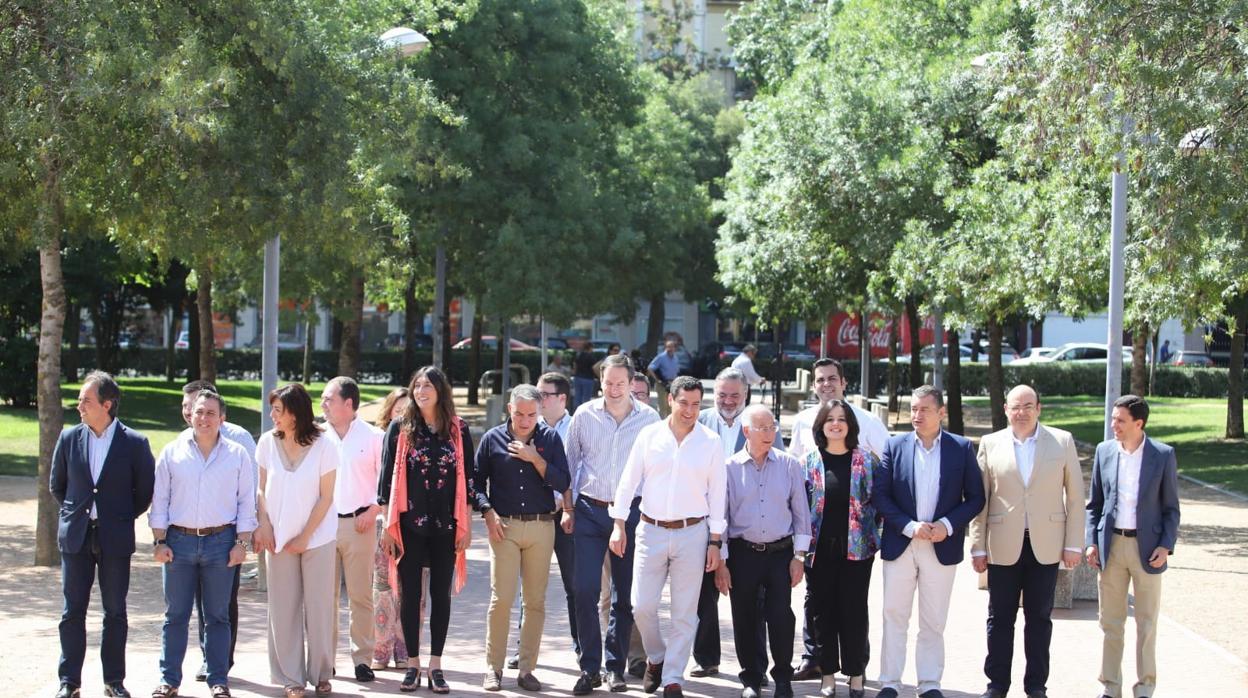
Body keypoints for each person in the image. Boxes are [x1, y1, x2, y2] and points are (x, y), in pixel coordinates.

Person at [610, 375, 726, 698]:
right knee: (641, 606)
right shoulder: (649, 436)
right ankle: (657, 657)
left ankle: (673, 677)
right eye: (684, 403)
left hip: (693, 533)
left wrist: (716, 542)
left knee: (684, 613)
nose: (690, 410)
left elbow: (718, 496)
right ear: (670, 401)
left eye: (696, 404)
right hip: (650, 529)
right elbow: (627, 481)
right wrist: (619, 524)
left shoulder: (710, 442)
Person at [970, 385, 1084, 698]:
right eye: (1015, 406)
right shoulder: (991, 444)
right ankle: (997, 685)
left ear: (1039, 408)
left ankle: (1035, 686)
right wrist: (977, 546)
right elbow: (980, 499)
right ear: (1005, 409)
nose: (1022, 412)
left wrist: (1074, 544)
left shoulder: (1061, 441)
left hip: (1046, 546)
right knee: (999, 618)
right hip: (1002, 546)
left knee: (1039, 619)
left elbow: (1075, 497)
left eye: (1028, 406)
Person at [873, 385, 985, 698]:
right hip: (901, 542)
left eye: (924, 409)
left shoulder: (960, 448)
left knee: (933, 618)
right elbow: (880, 495)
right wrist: (908, 526)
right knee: (894, 614)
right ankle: (890, 682)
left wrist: (947, 526)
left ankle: (930, 683)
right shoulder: (894, 447)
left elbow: (976, 497)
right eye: (913, 409)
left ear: (941, 413)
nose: (916, 415)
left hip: (941, 545)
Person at [50, 371, 156, 698]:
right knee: (72, 612)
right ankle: (69, 682)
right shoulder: (69, 438)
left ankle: (114, 681)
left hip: (114, 539)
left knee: (115, 612)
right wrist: (79, 513)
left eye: (86, 400)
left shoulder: (135, 443)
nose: (79, 406)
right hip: (76, 538)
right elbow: (58, 486)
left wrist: (119, 517)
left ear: (106, 404)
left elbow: (144, 492)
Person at [149, 390, 256, 698]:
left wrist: (242, 544)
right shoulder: (172, 452)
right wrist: (158, 542)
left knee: (218, 616)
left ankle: (218, 679)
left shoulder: (236, 454)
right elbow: (160, 501)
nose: (204, 418)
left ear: (222, 418)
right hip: (178, 543)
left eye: (211, 413)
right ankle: (169, 680)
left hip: (221, 544)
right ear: (190, 415)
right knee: (175, 615)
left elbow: (246, 502)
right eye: (199, 412)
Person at [788, 358, 889, 682]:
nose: (826, 384)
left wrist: (876, 532)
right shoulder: (803, 423)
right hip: (817, 542)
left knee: (853, 607)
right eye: (820, 380)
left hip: (856, 544)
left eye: (832, 378)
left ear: (844, 382)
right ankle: (816, 660)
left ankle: (856, 666)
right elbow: (795, 481)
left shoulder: (868, 423)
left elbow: (882, 483)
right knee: (817, 606)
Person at [565, 353, 660, 694]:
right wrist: (568, 507)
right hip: (591, 511)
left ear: (632, 383)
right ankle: (589, 667)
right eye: (608, 382)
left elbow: (655, 470)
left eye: (621, 383)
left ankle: (614, 667)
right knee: (585, 590)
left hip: (633, 515)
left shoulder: (649, 418)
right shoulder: (584, 415)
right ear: (600, 381)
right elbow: (570, 464)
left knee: (624, 597)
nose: (614, 389)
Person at [378, 366, 474, 694]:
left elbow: (470, 480)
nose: (421, 391)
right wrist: (387, 528)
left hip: (447, 527)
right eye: (416, 385)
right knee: (410, 596)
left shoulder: (458, 430)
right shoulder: (399, 428)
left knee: (440, 597)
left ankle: (436, 664)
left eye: (428, 386)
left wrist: (467, 525)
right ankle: (413, 664)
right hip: (408, 527)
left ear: (440, 391)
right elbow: (386, 481)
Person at [474, 384, 571, 692]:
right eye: (519, 414)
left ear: (540, 412)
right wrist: (488, 513)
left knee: (535, 602)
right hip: (505, 527)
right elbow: (475, 483)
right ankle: (494, 668)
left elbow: (563, 480)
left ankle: (527, 669)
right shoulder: (492, 439)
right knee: (500, 599)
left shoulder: (551, 439)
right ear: (509, 410)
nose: (525, 420)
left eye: (531, 414)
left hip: (542, 526)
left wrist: (535, 459)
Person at [1086, 395, 1180, 698]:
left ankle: (1144, 689)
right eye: (1113, 418)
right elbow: (1094, 505)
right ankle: (1110, 688)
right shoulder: (1104, 452)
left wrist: (1165, 546)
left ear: (1139, 423)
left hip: (1149, 550)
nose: (1114, 425)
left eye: (1120, 420)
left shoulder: (1162, 455)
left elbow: (1171, 509)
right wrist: (1091, 542)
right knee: (1110, 623)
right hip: (1111, 546)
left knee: (1146, 624)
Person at [714, 405, 810, 698]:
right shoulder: (729, 468)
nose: (770, 434)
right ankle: (751, 680)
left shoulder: (789, 465)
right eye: (763, 428)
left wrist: (799, 557)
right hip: (743, 553)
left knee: (781, 615)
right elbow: (723, 517)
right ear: (747, 432)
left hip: (780, 553)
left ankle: (783, 678)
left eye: (773, 427)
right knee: (744, 616)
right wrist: (723, 561)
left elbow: (801, 514)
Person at [252, 384, 339, 698]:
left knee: (318, 608)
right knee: (283, 608)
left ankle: (322, 673)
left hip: (317, 539)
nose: (272, 415)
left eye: (279, 410)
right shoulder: (266, 442)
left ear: (296, 413)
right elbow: (260, 490)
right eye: (272, 409)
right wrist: (263, 524)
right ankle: (291, 678)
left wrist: (305, 537)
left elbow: (327, 497)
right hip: (277, 538)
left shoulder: (325, 445)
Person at [802, 400, 883, 698]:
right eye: (830, 419)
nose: (836, 424)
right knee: (823, 614)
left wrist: (877, 537)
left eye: (841, 419)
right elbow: (799, 508)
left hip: (857, 552)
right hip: (818, 551)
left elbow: (881, 504)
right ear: (821, 425)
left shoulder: (867, 461)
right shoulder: (809, 462)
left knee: (854, 612)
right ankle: (827, 674)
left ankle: (856, 672)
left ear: (850, 425)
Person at [178, 380, 257, 684]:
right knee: (199, 598)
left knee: (223, 600)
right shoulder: (185, 439)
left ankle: (222, 659)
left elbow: (249, 488)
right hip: (191, 536)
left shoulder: (239, 438)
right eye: (187, 407)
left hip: (227, 534)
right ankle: (208, 657)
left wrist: (245, 536)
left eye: (195, 406)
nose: (191, 413)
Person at [504, 372, 579, 670]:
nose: (538, 398)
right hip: (535, 518)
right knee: (530, 588)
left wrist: (571, 509)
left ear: (562, 399)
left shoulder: (578, 427)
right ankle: (524, 648)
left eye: (543, 394)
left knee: (576, 585)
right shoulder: (527, 429)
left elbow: (576, 473)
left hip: (567, 517)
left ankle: (582, 647)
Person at [320, 377, 385, 683]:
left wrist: (373, 510)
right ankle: (324, 660)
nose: (323, 404)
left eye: (328, 399)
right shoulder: (317, 436)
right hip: (323, 526)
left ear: (349, 403)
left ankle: (362, 658)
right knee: (324, 596)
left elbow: (387, 484)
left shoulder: (375, 437)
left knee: (361, 596)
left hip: (360, 525)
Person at [691, 368, 750, 679]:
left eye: (735, 396)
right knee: (703, 594)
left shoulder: (760, 422)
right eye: (722, 395)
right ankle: (706, 658)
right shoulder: (699, 422)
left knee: (750, 596)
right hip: (704, 520)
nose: (728, 401)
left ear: (745, 396)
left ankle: (753, 665)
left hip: (746, 523)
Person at [371, 388, 410, 671]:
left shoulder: (421, 440)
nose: (403, 415)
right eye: (399, 410)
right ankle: (381, 650)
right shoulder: (377, 439)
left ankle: (406, 650)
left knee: (412, 591)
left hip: (413, 523)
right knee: (383, 588)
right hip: (383, 522)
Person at [647, 340, 682, 417]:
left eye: (672, 347)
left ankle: (670, 425)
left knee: (671, 406)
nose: (670, 349)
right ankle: (661, 424)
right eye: (668, 347)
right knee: (663, 406)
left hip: (672, 384)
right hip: (662, 384)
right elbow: (650, 368)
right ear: (665, 347)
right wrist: (657, 380)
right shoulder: (661, 357)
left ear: (674, 348)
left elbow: (676, 372)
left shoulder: (675, 358)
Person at [574, 345, 599, 410]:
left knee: (577, 397)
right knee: (586, 398)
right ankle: (584, 413)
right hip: (588, 379)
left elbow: (575, 365)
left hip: (578, 377)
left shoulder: (579, 355)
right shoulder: (591, 356)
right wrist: (599, 376)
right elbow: (594, 367)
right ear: (590, 348)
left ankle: (575, 411)